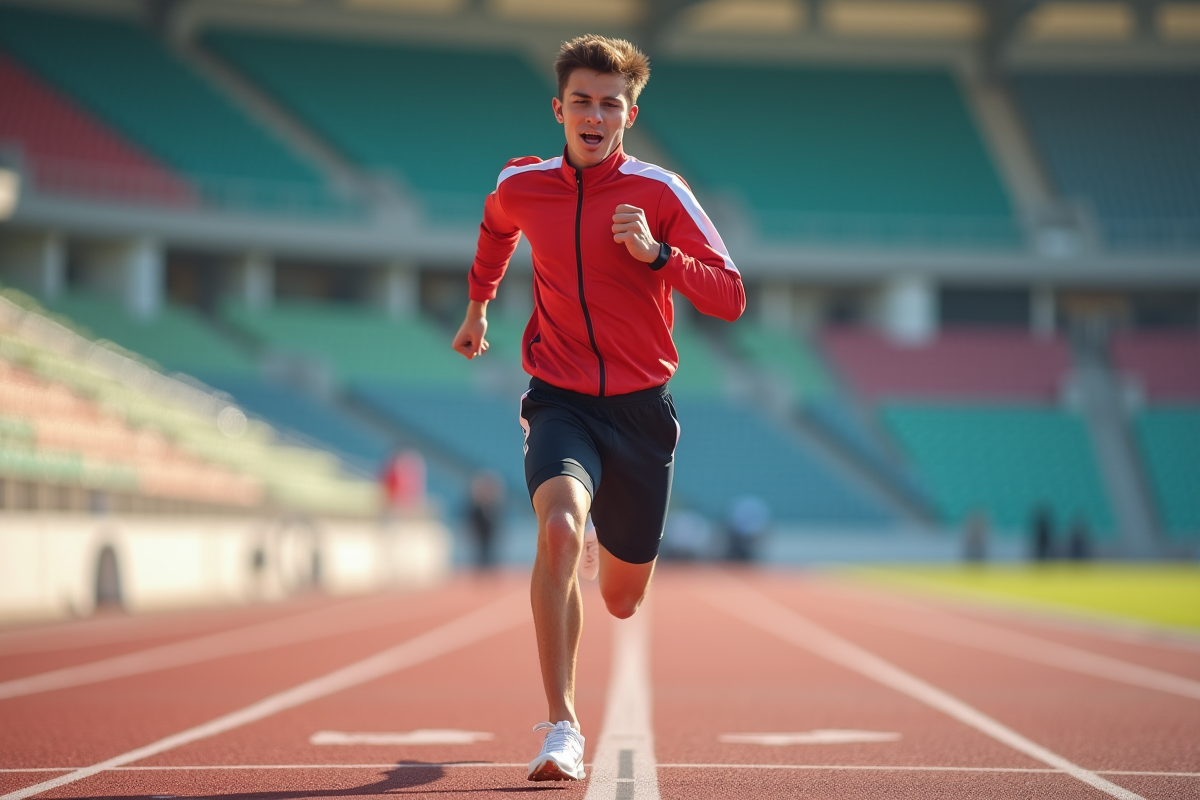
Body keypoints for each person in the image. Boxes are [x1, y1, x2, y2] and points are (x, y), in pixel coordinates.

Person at [451, 34, 744, 782]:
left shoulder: (660, 192)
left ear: (629, 114)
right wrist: (480, 306)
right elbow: (494, 227)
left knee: (620, 600)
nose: (593, 113)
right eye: (580, 100)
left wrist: (658, 257)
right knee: (554, 529)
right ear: (558, 108)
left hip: (642, 411)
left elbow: (732, 294)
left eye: (609, 103)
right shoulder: (524, 183)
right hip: (560, 398)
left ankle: (598, 541)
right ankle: (563, 727)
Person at [466, 471, 505, 569]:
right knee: (479, 553)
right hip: (480, 531)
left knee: (490, 552)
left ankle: (488, 570)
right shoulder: (476, 507)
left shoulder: (491, 505)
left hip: (488, 532)